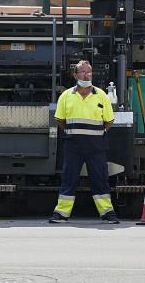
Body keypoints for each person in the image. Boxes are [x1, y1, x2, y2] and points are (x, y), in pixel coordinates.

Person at [49, 60, 120, 225]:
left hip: (96, 146)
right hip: (73, 145)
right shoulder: (66, 96)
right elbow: (60, 120)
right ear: (75, 75)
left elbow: (109, 121)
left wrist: (97, 133)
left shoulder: (102, 95)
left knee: (100, 179)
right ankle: (61, 214)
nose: (86, 75)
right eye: (82, 72)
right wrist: (72, 132)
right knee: (69, 178)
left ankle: (108, 214)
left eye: (89, 72)